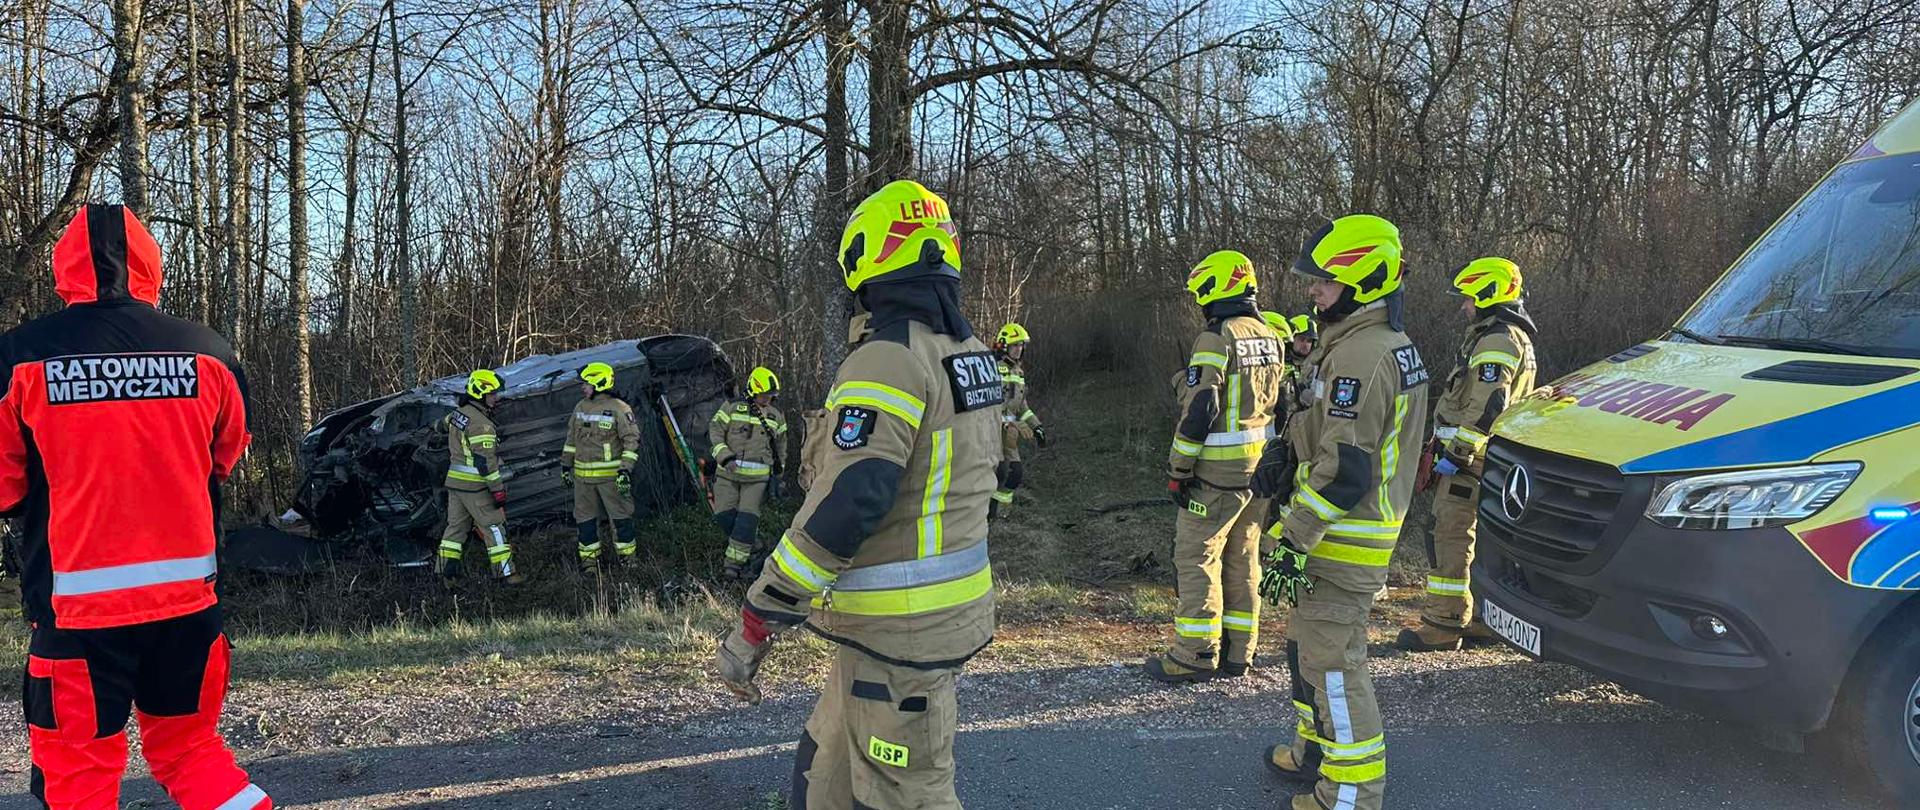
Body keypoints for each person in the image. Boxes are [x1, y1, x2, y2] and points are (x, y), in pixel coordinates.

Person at [713, 179, 1000, 809]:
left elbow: (851, 501)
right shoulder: (970, 354)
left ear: (867, 261)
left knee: (906, 795)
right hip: (906, 630)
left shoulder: (889, 358)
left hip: (900, 636)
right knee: (825, 772)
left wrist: (762, 612)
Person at [0, 204, 271, 809]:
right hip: (188, 606)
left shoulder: (19, 358)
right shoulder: (210, 353)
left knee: (79, 777)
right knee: (192, 753)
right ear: (154, 267)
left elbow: (6, 489)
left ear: (62, 269)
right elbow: (224, 458)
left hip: (78, 620)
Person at [1258, 215, 1428, 810]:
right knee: (1306, 651)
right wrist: (1285, 448)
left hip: (1339, 541)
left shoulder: (1364, 355)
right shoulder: (1357, 346)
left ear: (1363, 281)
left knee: (1335, 668)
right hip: (1329, 538)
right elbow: (1326, 434)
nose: (1313, 290)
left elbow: (1346, 470)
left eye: (1325, 281)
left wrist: (1293, 540)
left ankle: (1351, 794)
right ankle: (1315, 753)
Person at [1144, 250, 1286, 683]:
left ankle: (1195, 654)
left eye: (1202, 293)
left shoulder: (1216, 338)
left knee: (1196, 558)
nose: (1199, 302)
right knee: (1243, 560)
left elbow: (1202, 407)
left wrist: (1178, 468)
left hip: (1215, 476)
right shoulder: (1269, 334)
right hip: (1259, 472)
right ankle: (1240, 654)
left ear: (1217, 289)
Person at [1399, 257, 1538, 652]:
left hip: (1471, 461)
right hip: (1485, 459)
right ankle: (1479, 619)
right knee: (1476, 540)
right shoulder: (1505, 336)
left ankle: (1443, 625)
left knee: (1451, 537)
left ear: (1488, 294)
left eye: (1468, 298)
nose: (1464, 306)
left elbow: (1487, 406)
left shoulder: (1497, 340)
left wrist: (1457, 454)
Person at [437, 369, 521, 583]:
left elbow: (441, 425)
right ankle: (506, 574)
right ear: (480, 393)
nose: (496, 397)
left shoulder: (459, 413)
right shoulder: (481, 424)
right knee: (494, 528)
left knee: (454, 530)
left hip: (455, 485)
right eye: (492, 394)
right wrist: (498, 490)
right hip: (476, 487)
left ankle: (445, 574)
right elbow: (486, 464)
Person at [709, 366, 789, 580]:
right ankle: (755, 545)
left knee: (746, 520)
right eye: (764, 395)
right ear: (754, 390)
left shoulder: (776, 416)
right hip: (727, 474)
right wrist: (724, 455)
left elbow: (781, 446)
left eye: (772, 396)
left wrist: (779, 476)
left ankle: (732, 566)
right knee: (724, 516)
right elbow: (715, 431)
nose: (768, 399)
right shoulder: (732, 407)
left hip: (757, 480)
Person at [560, 361, 642, 571]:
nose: (582, 387)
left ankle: (628, 562)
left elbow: (631, 441)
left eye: (586, 383)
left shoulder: (620, 409)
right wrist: (565, 466)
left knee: (621, 520)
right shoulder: (580, 407)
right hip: (582, 481)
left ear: (598, 382)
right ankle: (590, 565)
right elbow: (571, 440)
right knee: (585, 522)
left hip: (611, 480)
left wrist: (625, 470)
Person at [990, 322, 1046, 518]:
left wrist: (1036, 427)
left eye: (1021, 345)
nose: (1019, 349)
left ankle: (997, 514)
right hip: (991, 433)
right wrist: (1004, 422)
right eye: (1015, 345)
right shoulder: (993, 369)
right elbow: (988, 404)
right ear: (1004, 345)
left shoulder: (1018, 373)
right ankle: (989, 517)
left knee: (1015, 474)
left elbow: (1022, 407)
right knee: (999, 472)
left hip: (1010, 433)